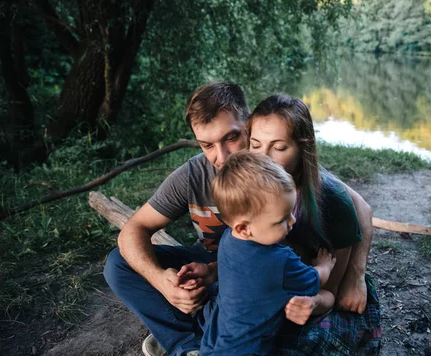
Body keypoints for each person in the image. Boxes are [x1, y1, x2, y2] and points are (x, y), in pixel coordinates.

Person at [103, 82, 375, 356]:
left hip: (271, 280)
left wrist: (355, 274)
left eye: (231, 138)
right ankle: (188, 347)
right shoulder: (194, 174)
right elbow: (134, 229)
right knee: (119, 264)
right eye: (207, 144)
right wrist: (164, 281)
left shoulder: (280, 173)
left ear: (249, 126)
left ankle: (202, 333)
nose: (220, 157)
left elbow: (358, 207)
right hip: (227, 268)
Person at [247, 94, 382, 355]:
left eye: (279, 147)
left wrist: (311, 302)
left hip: (321, 294)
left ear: (303, 147)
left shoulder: (332, 201)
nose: (263, 159)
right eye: (255, 145)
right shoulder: (248, 186)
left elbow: (331, 291)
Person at [198, 151, 336, 355]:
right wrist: (325, 265)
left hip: (214, 343)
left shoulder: (229, 239)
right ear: (244, 228)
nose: (292, 221)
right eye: (281, 220)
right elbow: (315, 280)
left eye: (290, 212)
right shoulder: (278, 261)